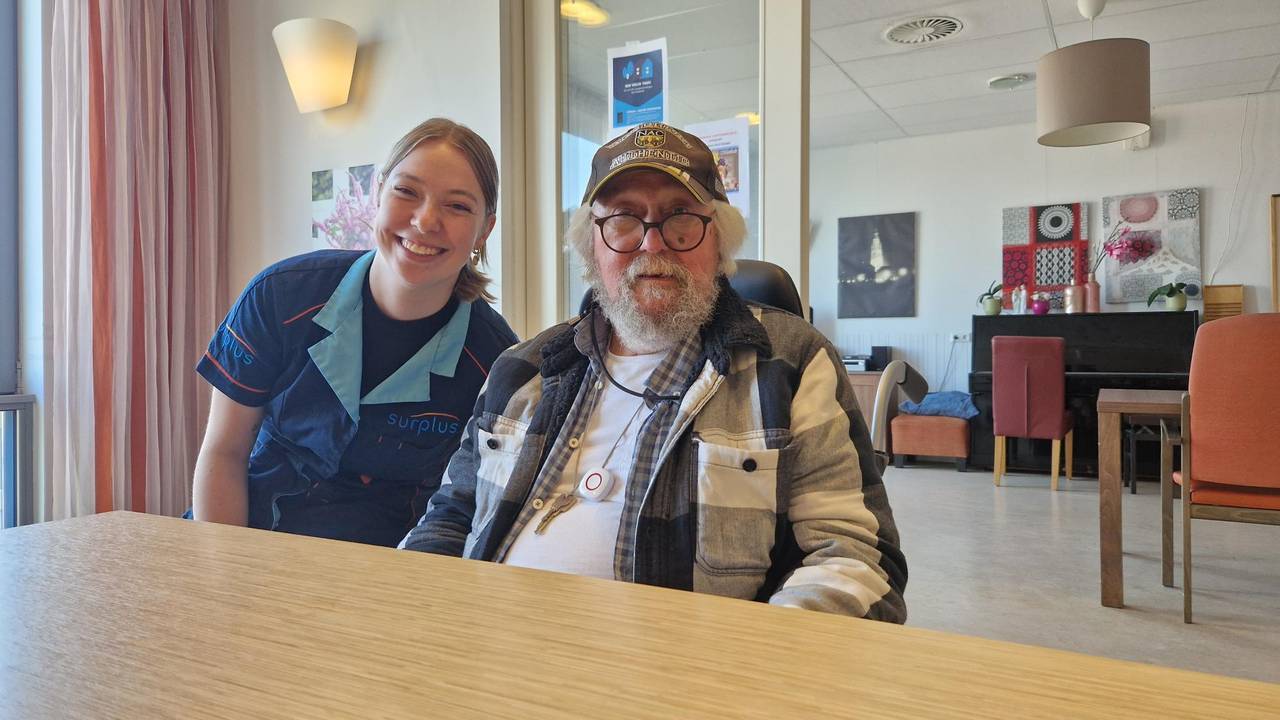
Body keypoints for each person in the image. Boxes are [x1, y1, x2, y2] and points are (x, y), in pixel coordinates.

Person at [401, 122, 907, 620]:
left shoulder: (791, 365)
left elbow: (856, 557)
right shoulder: (521, 368)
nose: (652, 243)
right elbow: (450, 517)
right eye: (623, 219)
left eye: (680, 216)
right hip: (487, 650)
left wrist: (757, 670)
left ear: (719, 241)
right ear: (591, 248)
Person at [192, 118, 518, 547]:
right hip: (246, 545)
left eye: (457, 206)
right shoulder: (280, 297)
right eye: (406, 191)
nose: (425, 220)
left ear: (485, 230)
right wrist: (225, 576)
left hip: (383, 579)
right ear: (379, 192)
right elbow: (224, 451)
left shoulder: (497, 363)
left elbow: (475, 512)